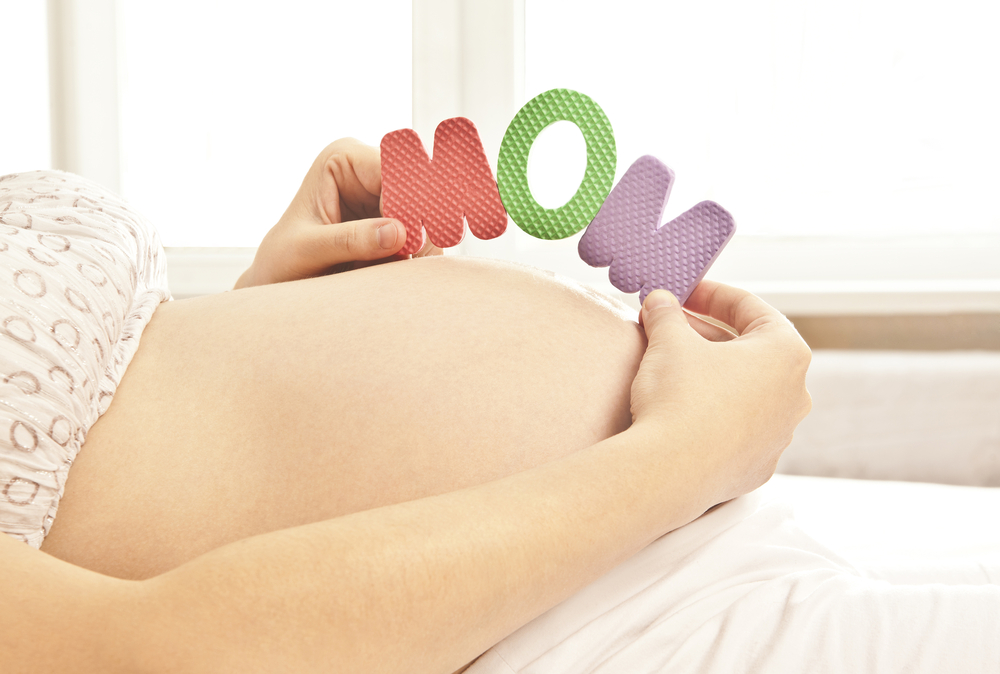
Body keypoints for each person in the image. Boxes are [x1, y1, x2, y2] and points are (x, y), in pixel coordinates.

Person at [0, 138, 813, 673]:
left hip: (675, 533)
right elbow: (152, 655)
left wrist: (266, 313)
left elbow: (125, 441)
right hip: (571, 615)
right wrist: (680, 457)